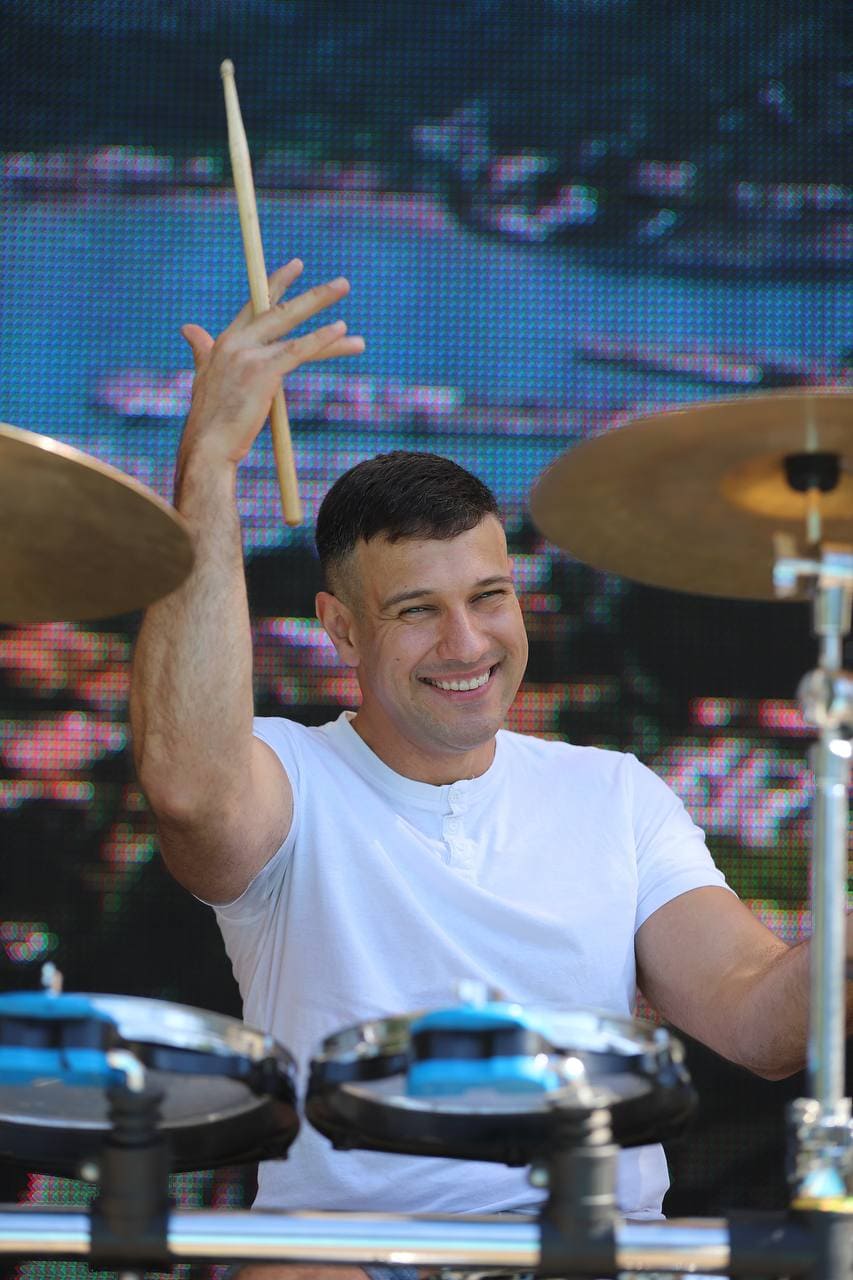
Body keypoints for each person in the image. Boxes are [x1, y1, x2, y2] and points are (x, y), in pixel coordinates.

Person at [131, 262, 850, 1268]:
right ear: (339, 628)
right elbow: (186, 788)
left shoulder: (614, 791)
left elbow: (761, 1023)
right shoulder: (288, 778)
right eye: (417, 610)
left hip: (597, 1248)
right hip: (351, 1254)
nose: (467, 643)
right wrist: (209, 465)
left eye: (489, 597)